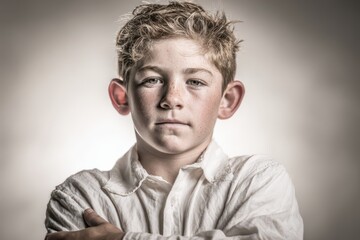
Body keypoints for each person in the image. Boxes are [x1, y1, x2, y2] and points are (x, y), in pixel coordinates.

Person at [45, 1, 303, 239]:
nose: (172, 99)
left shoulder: (257, 180)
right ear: (122, 97)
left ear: (227, 100)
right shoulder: (79, 196)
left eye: (195, 82)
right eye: (152, 80)